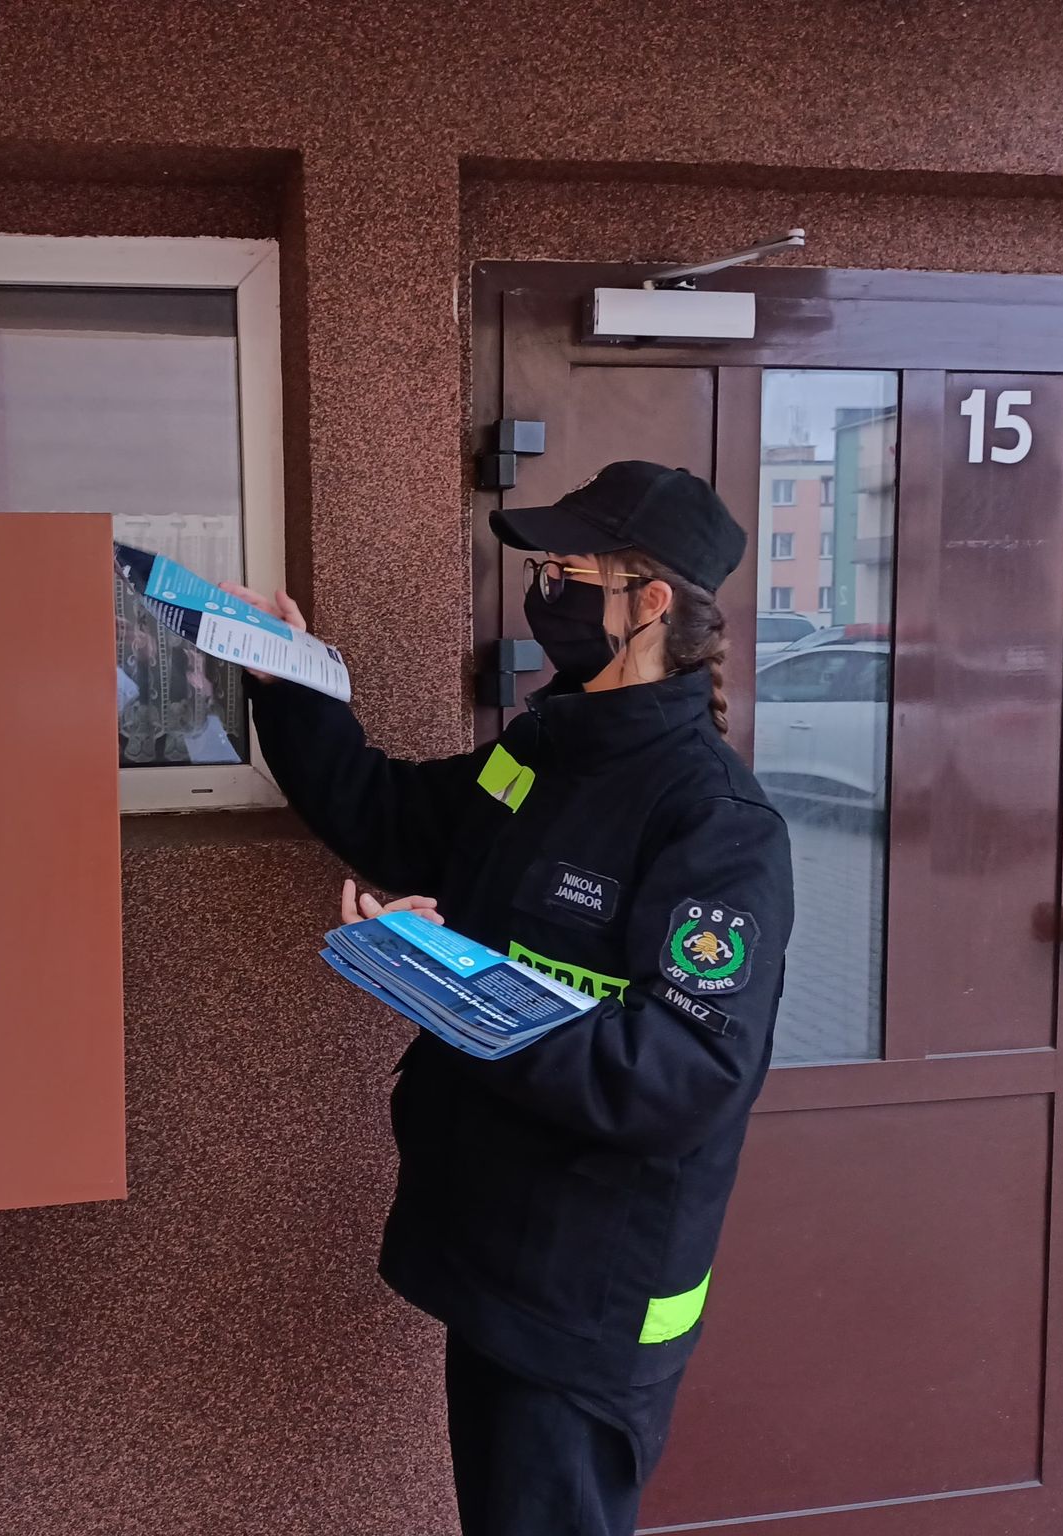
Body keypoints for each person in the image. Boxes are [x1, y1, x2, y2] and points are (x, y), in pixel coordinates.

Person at [231, 461, 795, 1536]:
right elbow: (393, 816)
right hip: (495, 1254)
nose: (542, 591)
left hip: (587, 1296)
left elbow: (679, 1077)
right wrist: (288, 679)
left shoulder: (716, 824)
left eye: (566, 572)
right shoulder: (540, 753)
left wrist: (448, 983)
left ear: (649, 603)